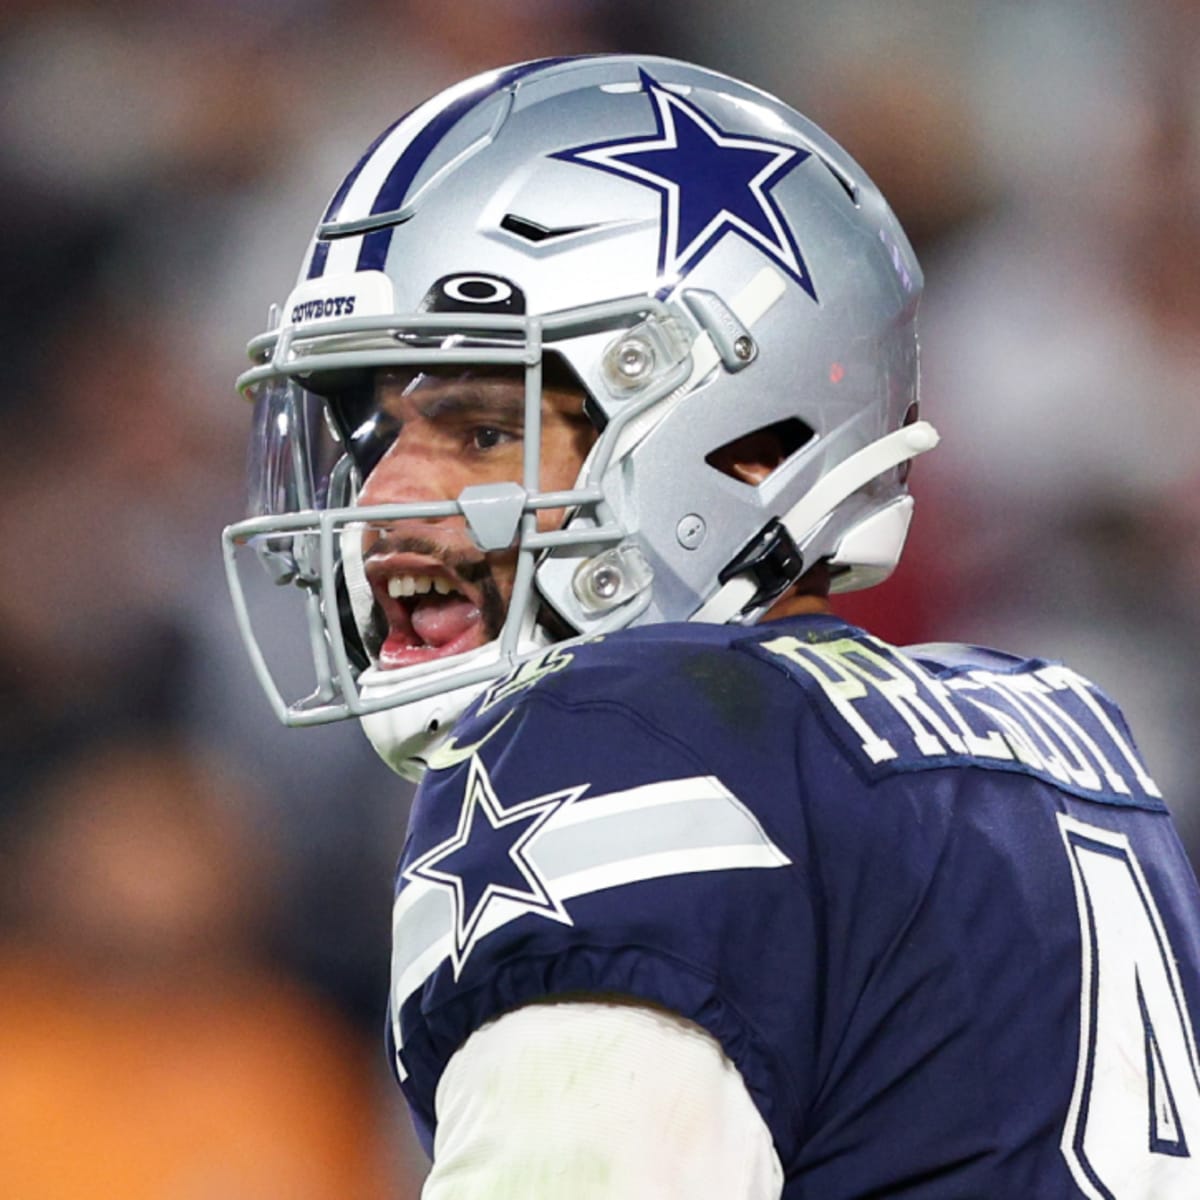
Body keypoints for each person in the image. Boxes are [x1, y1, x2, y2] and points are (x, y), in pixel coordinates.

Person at [223, 54, 1200, 1198]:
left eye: (482, 431)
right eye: (371, 437)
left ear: (748, 446)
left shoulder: (618, 742)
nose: (380, 500)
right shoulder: (1061, 733)